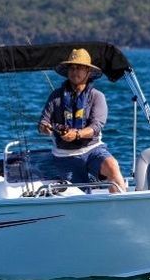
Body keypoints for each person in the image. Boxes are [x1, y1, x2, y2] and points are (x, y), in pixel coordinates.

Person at [38, 48, 127, 193]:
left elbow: (96, 126)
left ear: (88, 72)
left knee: (112, 166)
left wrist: (77, 134)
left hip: (93, 150)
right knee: (80, 193)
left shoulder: (97, 96)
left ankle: (122, 207)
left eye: (79, 68)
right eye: (72, 68)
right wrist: (45, 128)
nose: (75, 72)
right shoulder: (55, 97)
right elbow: (43, 123)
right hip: (65, 156)